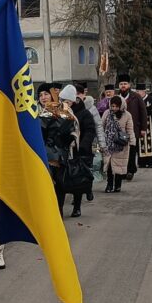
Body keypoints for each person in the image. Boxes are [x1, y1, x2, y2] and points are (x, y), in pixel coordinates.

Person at [40, 88, 80, 216]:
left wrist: (67, 139)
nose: (43, 97)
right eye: (40, 95)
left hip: (57, 156)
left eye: (46, 94)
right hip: (42, 154)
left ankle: (57, 214)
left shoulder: (64, 112)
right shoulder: (37, 112)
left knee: (57, 185)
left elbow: (73, 132)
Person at [63, 84, 95, 217]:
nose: (64, 103)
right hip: (64, 151)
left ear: (72, 100)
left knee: (78, 179)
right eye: (62, 101)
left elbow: (90, 130)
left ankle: (77, 206)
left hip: (79, 151)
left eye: (66, 101)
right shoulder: (61, 112)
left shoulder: (84, 113)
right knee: (64, 179)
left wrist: (82, 145)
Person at [101, 96, 134, 192]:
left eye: (116, 106)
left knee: (119, 166)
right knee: (109, 166)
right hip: (109, 144)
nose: (114, 108)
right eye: (112, 106)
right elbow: (101, 126)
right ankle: (109, 184)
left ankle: (118, 184)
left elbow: (130, 130)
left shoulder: (127, 115)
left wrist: (132, 142)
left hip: (121, 144)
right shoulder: (107, 113)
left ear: (121, 106)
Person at [117, 74, 147, 179]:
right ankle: (122, 171)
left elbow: (143, 112)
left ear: (129, 85)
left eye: (125, 84)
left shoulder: (136, 97)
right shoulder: (116, 97)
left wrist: (143, 128)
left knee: (132, 150)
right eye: (121, 84)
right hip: (120, 130)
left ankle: (131, 170)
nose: (123, 86)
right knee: (121, 151)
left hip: (134, 129)